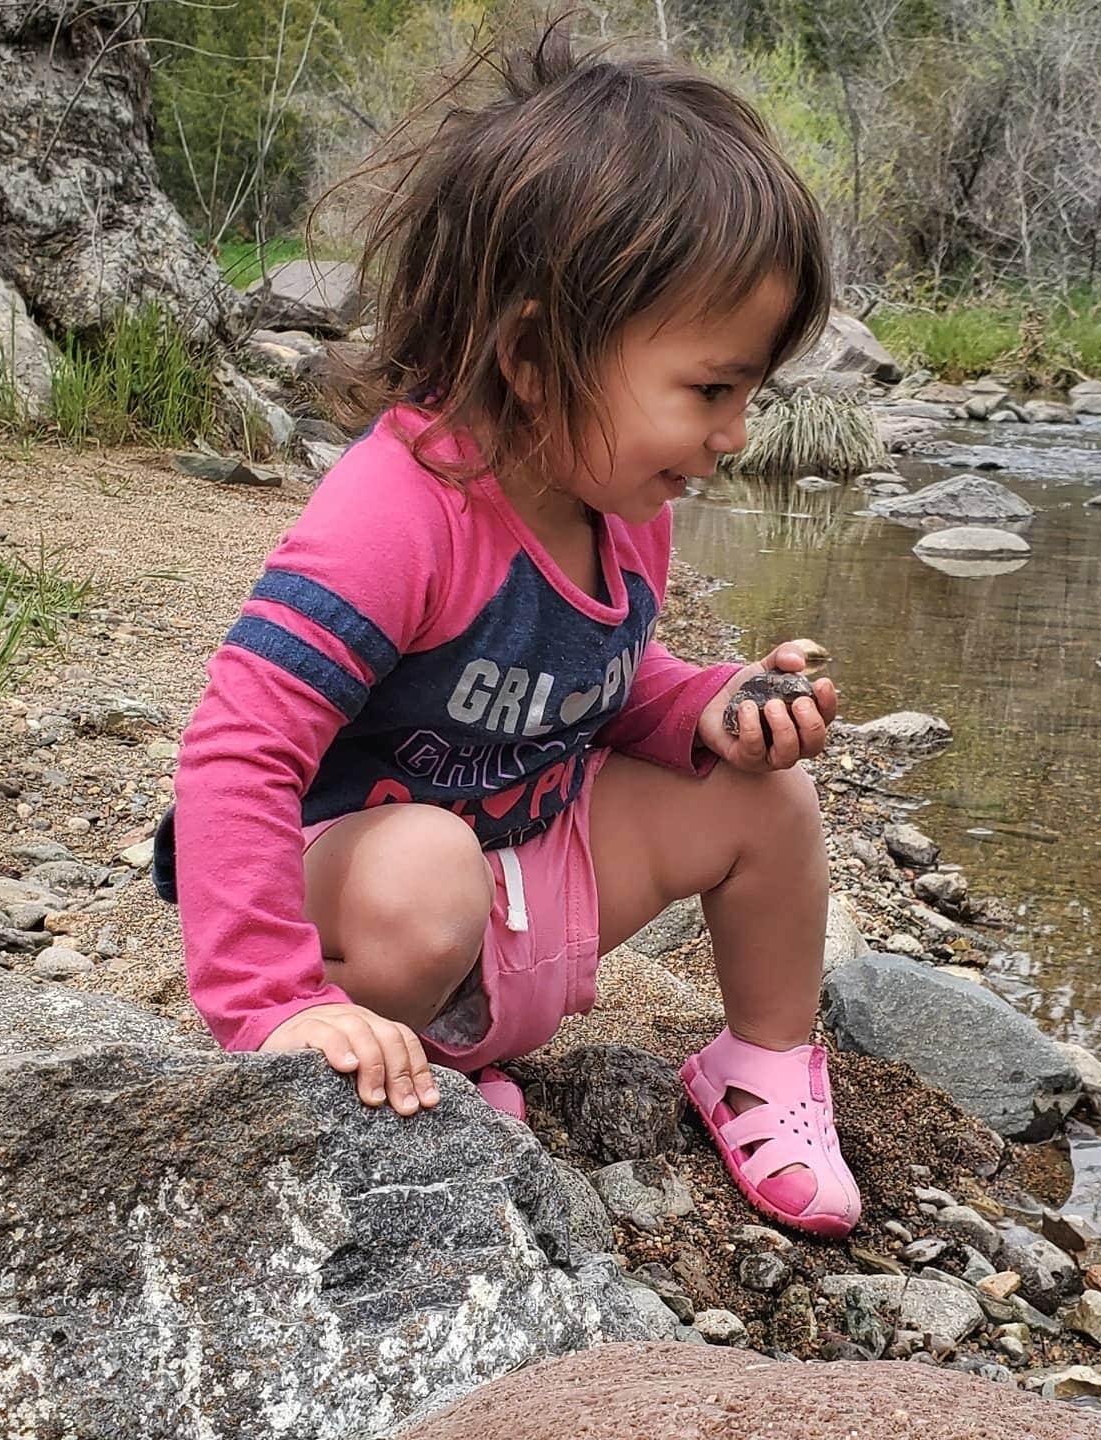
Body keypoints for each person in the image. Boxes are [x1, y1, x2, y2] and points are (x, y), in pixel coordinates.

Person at [153, 26, 861, 1238]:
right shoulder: (399, 513)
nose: (736, 433)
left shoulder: (624, 503)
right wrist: (270, 1002)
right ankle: (391, 1057)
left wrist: (705, 707)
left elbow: (598, 687)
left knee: (767, 802)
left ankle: (763, 1064)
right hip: (381, 909)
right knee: (425, 867)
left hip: (526, 889)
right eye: (709, 390)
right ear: (536, 354)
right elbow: (237, 749)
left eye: (751, 394)